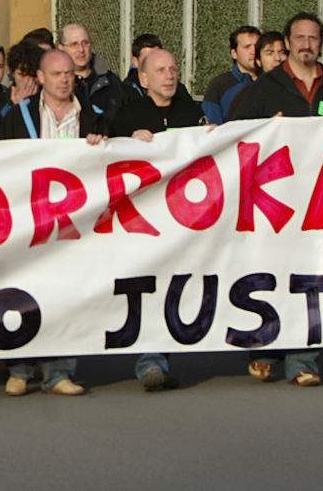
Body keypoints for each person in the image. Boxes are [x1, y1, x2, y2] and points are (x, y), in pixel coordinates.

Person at [228, 12, 323, 388]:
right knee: (273, 275)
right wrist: (268, 130)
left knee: (309, 278)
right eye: (300, 37)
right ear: (288, 42)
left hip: (321, 202)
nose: (307, 44)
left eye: (313, 38)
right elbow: (235, 133)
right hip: (276, 202)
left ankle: (303, 359)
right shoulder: (266, 87)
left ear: (322, 42)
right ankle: (266, 350)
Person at [0, 48, 92, 397]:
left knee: (64, 296)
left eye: (69, 74)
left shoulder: (91, 116)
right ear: (40, 78)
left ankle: (59, 371)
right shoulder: (18, 117)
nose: (65, 79)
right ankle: (20, 368)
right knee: (24, 295)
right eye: (56, 74)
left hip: (72, 224)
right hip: (28, 221)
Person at [108, 47, 207, 391]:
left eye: (173, 68)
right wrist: (125, 143)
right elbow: (102, 157)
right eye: (161, 70)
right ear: (144, 78)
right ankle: (150, 360)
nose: (169, 75)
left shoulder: (192, 112)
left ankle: (162, 354)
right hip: (143, 223)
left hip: (185, 221)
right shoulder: (127, 116)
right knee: (148, 287)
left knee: (175, 286)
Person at [57, 22, 123, 121]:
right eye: (74, 44)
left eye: (85, 43)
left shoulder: (110, 81)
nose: (81, 49)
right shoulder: (55, 83)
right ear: (61, 48)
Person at [202, 25, 261, 124]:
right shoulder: (219, 86)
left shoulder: (272, 81)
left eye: (257, 46)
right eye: (247, 47)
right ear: (234, 53)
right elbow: (213, 128)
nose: (254, 51)